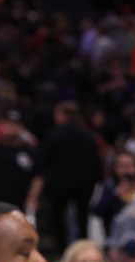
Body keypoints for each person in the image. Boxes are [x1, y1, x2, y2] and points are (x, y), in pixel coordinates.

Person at [41, 100, 103, 251]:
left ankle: (62, 251)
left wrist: (49, 185)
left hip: (59, 187)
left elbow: (45, 162)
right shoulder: (88, 137)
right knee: (82, 218)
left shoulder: (53, 136)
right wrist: (93, 182)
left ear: (63, 115)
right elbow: (96, 163)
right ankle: (82, 248)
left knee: (58, 218)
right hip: (84, 186)